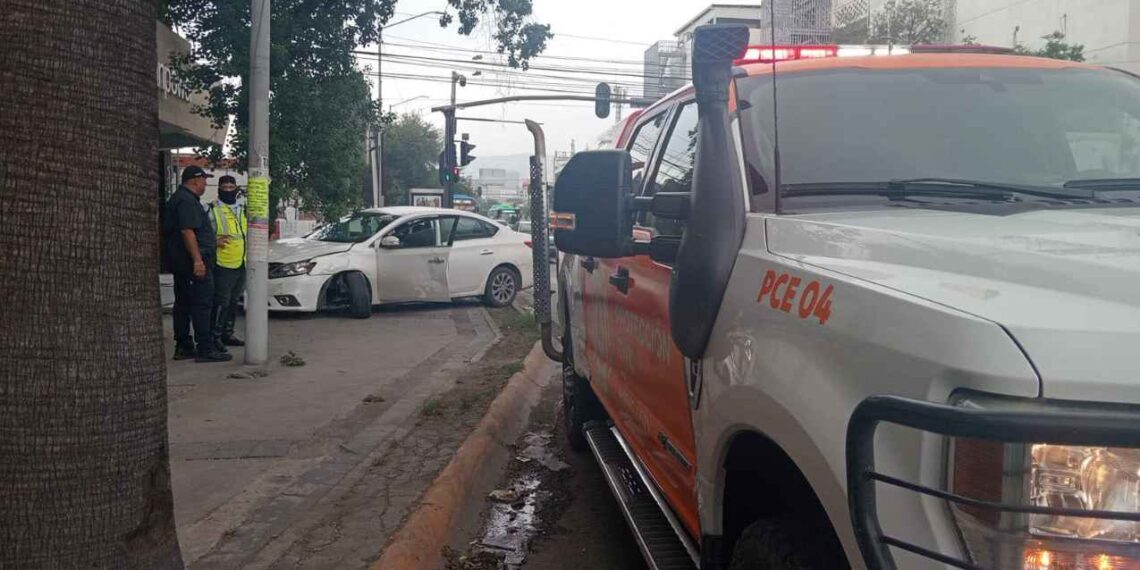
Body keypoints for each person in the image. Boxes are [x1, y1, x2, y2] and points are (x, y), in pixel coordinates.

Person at [164, 166, 232, 363]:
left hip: (183, 263)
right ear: (194, 180)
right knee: (202, 304)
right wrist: (197, 260)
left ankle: (184, 346)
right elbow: (187, 231)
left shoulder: (181, 198)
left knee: (183, 304)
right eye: (203, 180)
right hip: (192, 264)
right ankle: (204, 348)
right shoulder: (186, 201)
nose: (204, 184)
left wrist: (212, 242)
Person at [209, 175, 247, 348]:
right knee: (221, 301)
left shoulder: (242, 208)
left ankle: (227, 334)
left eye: (232, 187)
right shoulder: (211, 209)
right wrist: (213, 242)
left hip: (242, 262)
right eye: (225, 188)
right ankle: (214, 337)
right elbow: (200, 233)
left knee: (233, 301)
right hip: (223, 262)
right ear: (219, 189)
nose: (229, 191)